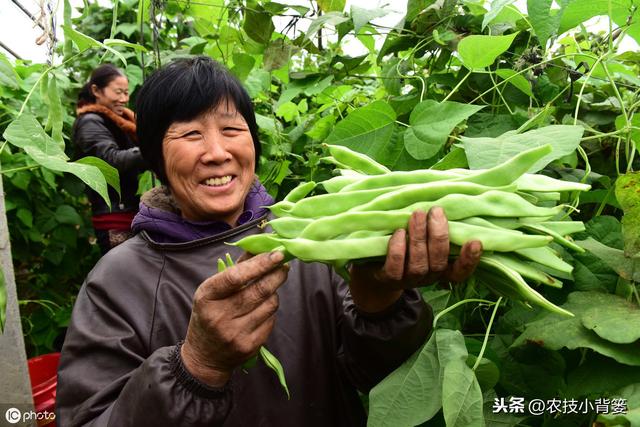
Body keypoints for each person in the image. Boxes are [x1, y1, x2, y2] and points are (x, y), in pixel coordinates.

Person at [56, 56, 483, 426]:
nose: (217, 151)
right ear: (155, 158)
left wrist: (381, 304)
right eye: (189, 135)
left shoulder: (311, 239)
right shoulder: (118, 281)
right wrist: (196, 366)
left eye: (232, 129)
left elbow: (372, 375)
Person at [73, 64, 147, 254]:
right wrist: (152, 148)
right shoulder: (90, 121)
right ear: (96, 90)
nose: (124, 99)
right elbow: (110, 160)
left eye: (126, 92)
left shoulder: (119, 120)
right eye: (118, 92)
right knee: (124, 275)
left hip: (127, 210)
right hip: (114, 216)